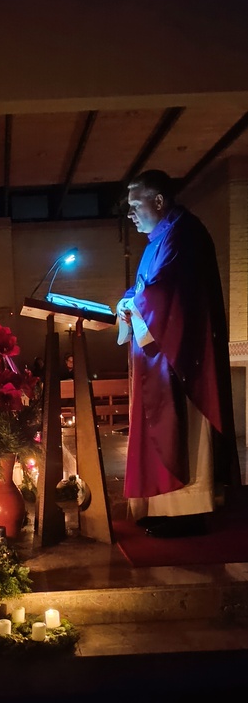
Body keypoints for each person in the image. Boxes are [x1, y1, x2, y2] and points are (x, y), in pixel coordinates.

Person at [116, 169, 240, 538]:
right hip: (159, 357)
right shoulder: (159, 240)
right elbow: (148, 288)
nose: (130, 213)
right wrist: (129, 300)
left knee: (184, 433)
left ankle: (188, 512)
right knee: (160, 431)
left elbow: (170, 294)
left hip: (183, 359)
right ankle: (163, 508)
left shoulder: (185, 234)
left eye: (135, 204)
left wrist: (136, 304)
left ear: (158, 201)